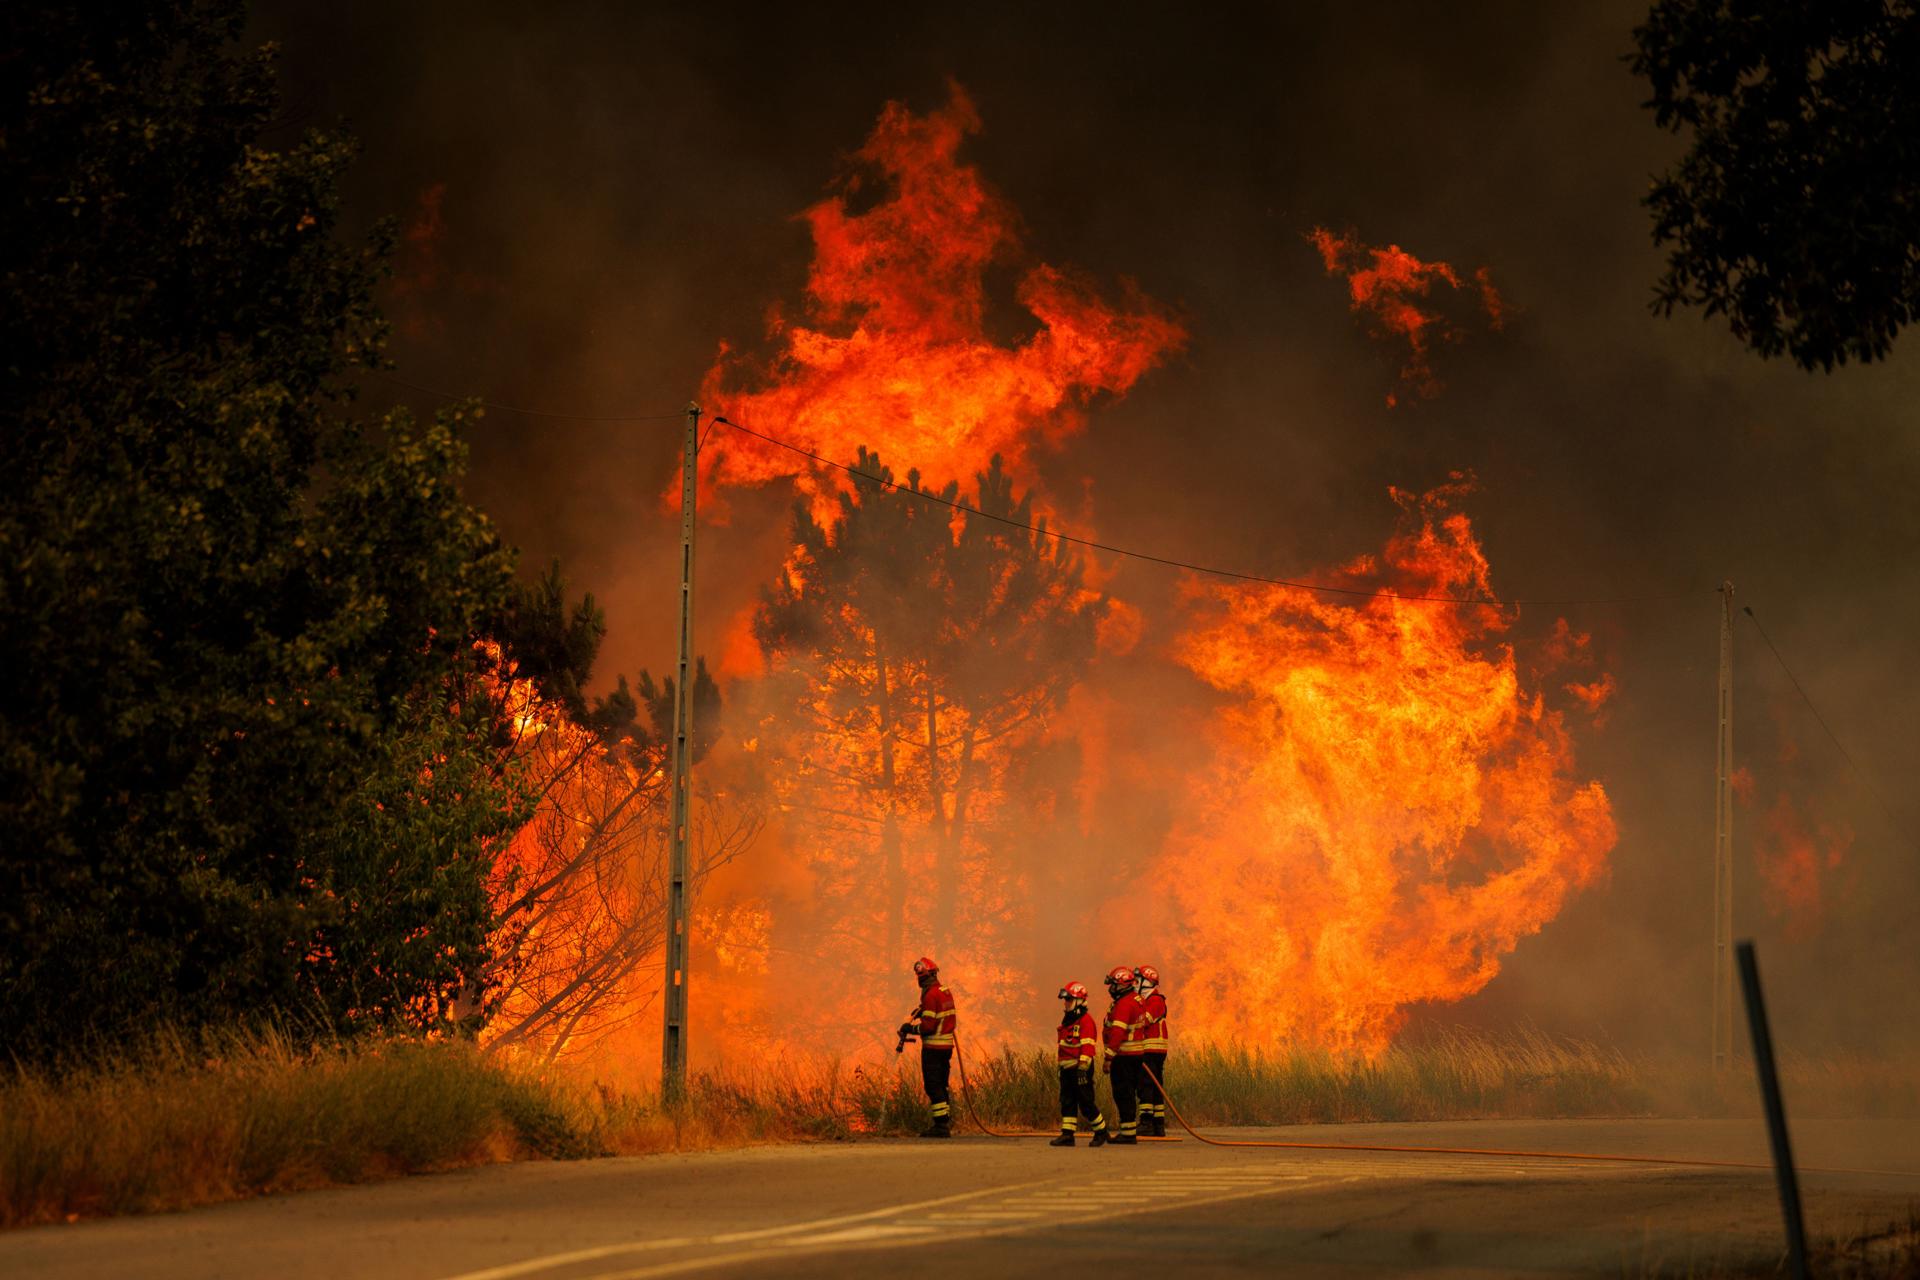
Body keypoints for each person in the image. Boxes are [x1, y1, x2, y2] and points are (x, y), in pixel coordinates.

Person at [900, 956, 956, 1138]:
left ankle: (941, 1126)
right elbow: (938, 1013)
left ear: (924, 977)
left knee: (933, 1086)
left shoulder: (931, 995)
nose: (920, 981)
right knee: (941, 1085)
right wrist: (921, 1010)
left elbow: (928, 1027)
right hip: (946, 1046)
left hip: (933, 1048)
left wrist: (910, 1028)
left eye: (920, 977)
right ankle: (944, 1122)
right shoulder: (944, 991)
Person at [1050, 981, 1109, 1147]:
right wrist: (1062, 1068)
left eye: (1069, 999)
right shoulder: (1068, 1020)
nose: (1066, 1003)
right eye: (1065, 1000)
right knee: (1067, 1102)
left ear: (1078, 1001)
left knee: (1086, 1103)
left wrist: (1083, 1070)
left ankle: (1101, 1131)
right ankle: (1068, 1135)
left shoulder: (1085, 1021)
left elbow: (1088, 1047)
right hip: (1067, 1070)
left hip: (1080, 1070)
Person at [1101, 964, 1148, 1145]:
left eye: (1113, 985)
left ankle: (1128, 1134)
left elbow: (1117, 1034)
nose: (1111, 989)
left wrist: (1108, 1058)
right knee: (1128, 1093)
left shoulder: (1124, 1004)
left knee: (1123, 1094)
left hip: (1124, 1056)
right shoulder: (1137, 999)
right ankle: (1129, 1132)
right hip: (1135, 1055)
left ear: (1122, 985)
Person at [1135, 965, 1170, 1137]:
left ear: (1146, 982)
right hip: (1153, 1049)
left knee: (1146, 1085)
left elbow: (1143, 1021)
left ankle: (1147, 1122)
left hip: (1152, 1049)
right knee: (1155, 1087)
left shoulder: (1156, 1000)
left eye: (1137, 980)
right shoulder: (1147, 1000)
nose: (1134, 983)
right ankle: (1158, 1125)